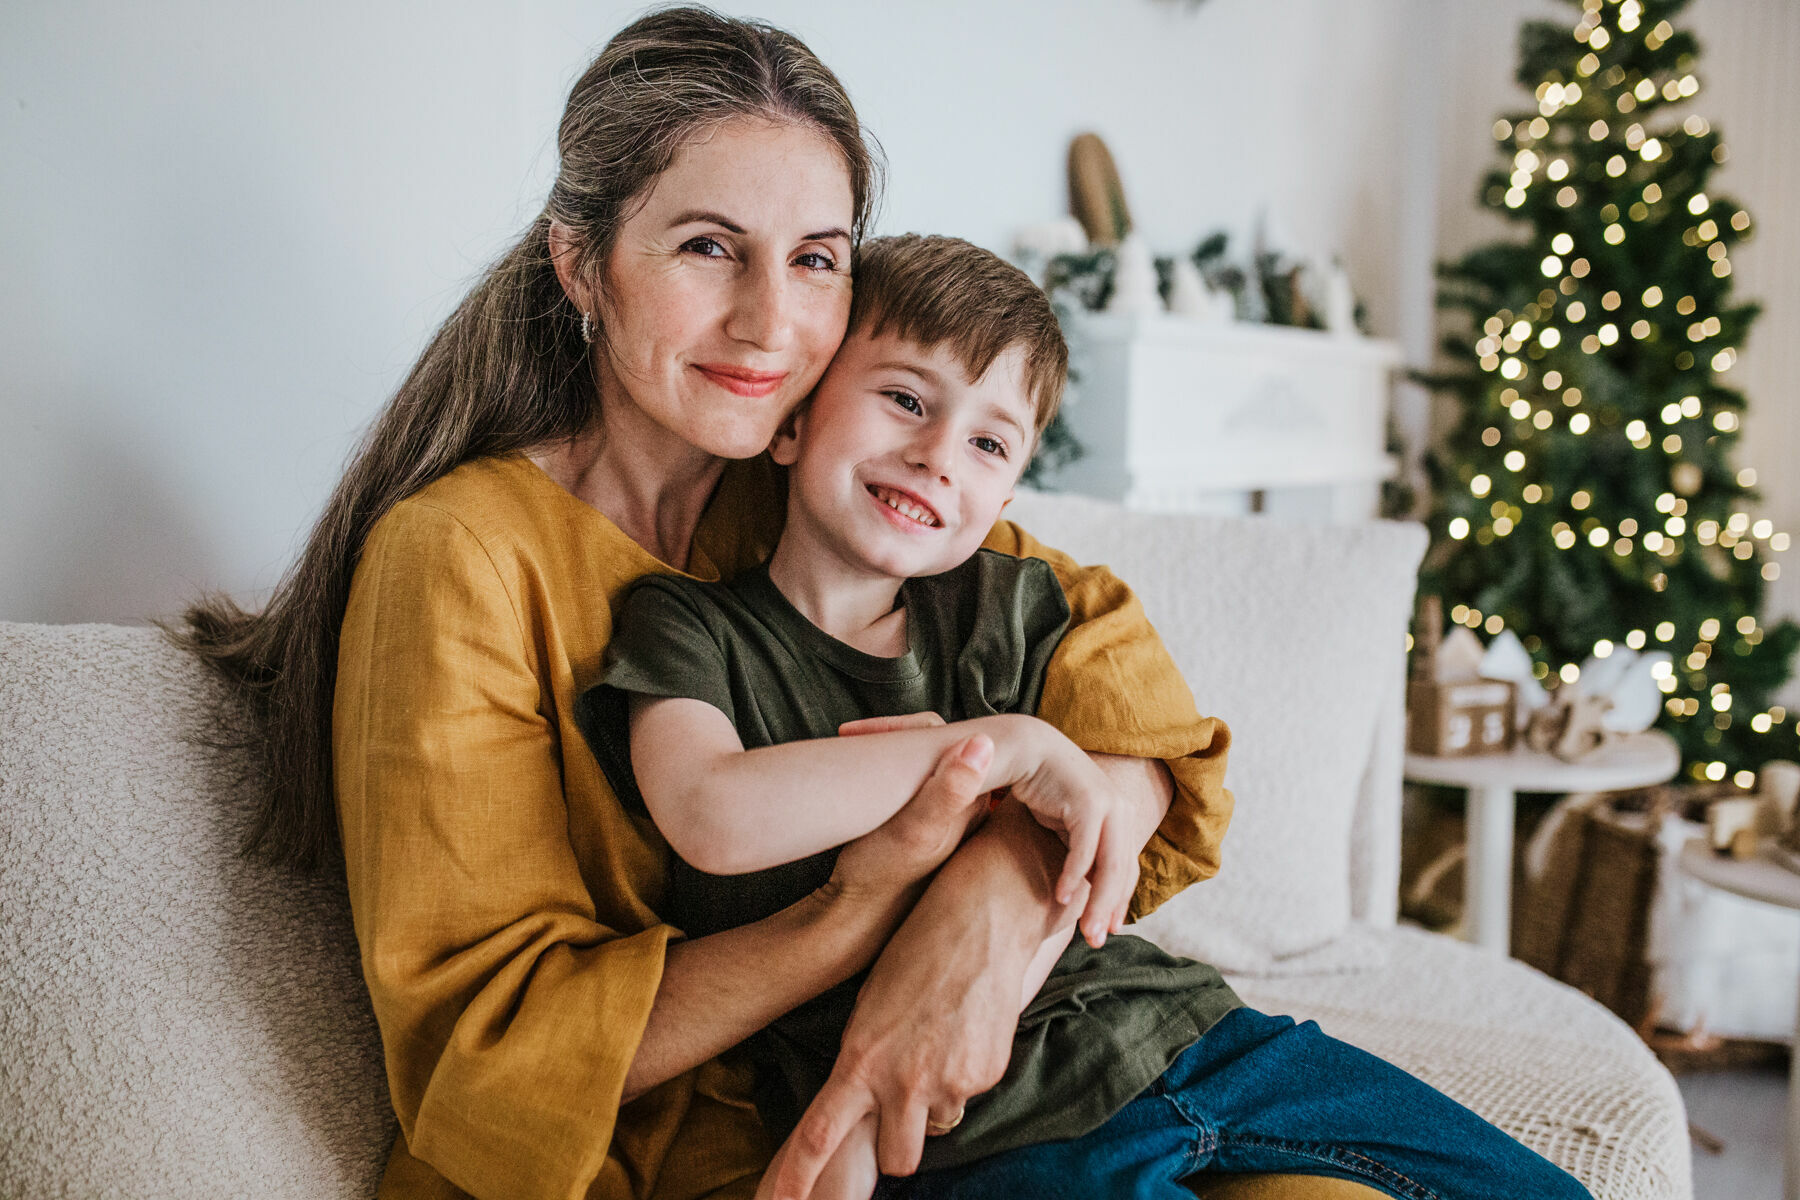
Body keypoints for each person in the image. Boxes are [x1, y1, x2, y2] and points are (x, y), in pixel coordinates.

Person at [178, 11, 1244, 1198]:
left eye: (815, 259)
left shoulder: (804, 481)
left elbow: (1106, 670)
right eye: (706, 247)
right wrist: (861, 919)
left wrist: (988, 917)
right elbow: (488, 1059)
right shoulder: (459, 557)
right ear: (580, 261)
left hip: (934, 1118)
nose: (770, 325)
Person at [583, 235, 1594, 1200]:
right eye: (903, 399)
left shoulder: (1021, 611)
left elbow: (1079, 873)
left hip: (1180, 1031)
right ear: (797, 419)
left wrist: (1030, 764)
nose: (940, 456)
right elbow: (713, 814)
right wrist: (1006, 751)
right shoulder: (690, 626)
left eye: (989, 442)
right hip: (992, 1138)